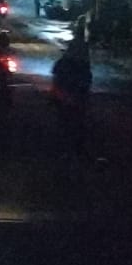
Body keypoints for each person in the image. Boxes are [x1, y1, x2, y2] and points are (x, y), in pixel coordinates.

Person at [52, 15, 94, 159]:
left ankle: (70, 148)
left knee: (69, 122)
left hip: (70, 96)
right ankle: (74, 148)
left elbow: (57, 76)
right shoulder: (79, 59)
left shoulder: (70, 60)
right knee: (74, 122)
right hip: (72, 96)